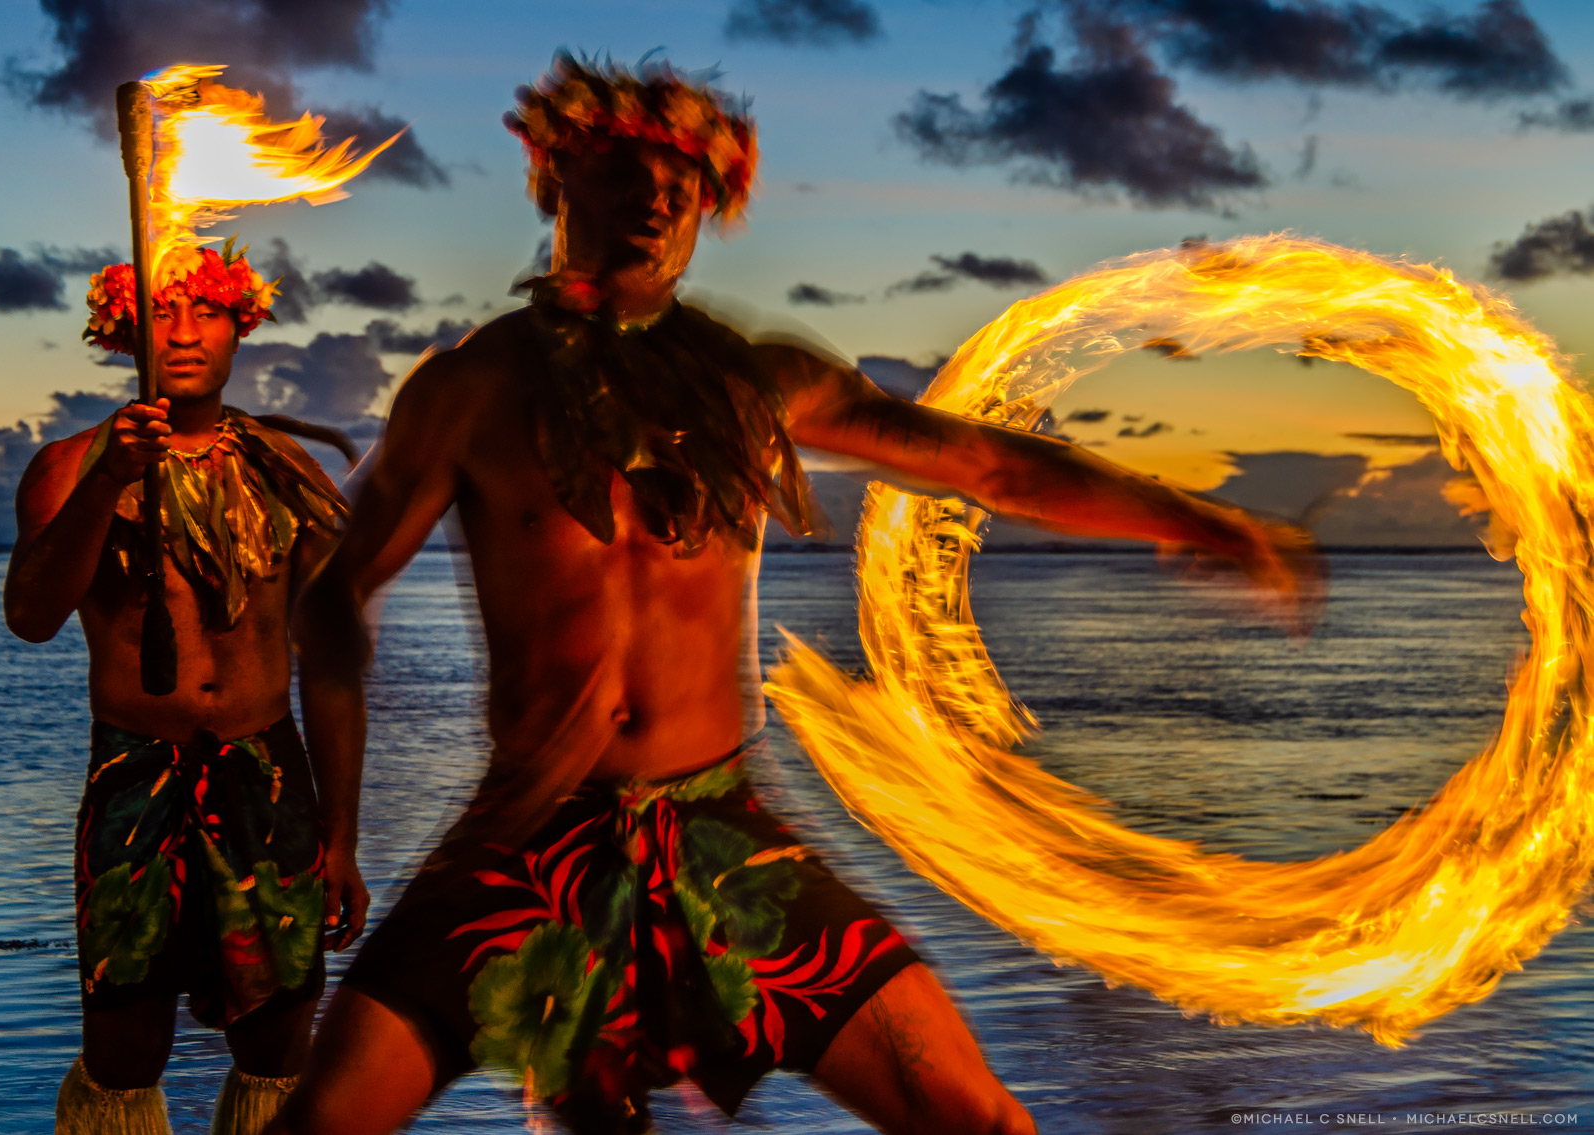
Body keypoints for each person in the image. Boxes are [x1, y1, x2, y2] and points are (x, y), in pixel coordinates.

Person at [275, 56, 1322, 1135]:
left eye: (681, 189)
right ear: (557, 180)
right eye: (627, 174)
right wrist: (338, 828)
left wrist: (1198, 518)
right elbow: (332, 597)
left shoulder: (755, 384)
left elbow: (988, 467)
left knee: (983, 1122)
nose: (656, 201)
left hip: (720, 838)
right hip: (527, 841)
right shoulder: (469, 390)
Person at [5, 244, 364, 1135]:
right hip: (134, 772)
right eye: (161, 312)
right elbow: (31, 615)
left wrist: (343, 838)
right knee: (125, 1046)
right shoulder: (68, 467)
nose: (183, 332)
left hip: (267, 774)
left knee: (279, 1046)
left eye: (204, 311)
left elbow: (329, 666)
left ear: (240, 325)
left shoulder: (287, 474)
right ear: (123, 328)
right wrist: (109, 484)